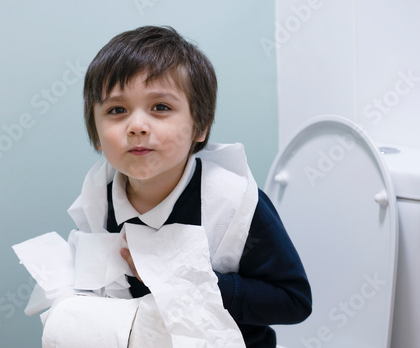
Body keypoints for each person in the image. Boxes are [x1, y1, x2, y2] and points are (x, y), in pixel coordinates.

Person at [76, 25, 312, 348]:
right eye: (117, 110)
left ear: (199, 126)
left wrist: (187, 281)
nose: (137, 126)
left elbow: (293, 300)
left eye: (160, 107)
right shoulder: (98, 198)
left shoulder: (232, 203)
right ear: (97, 134)